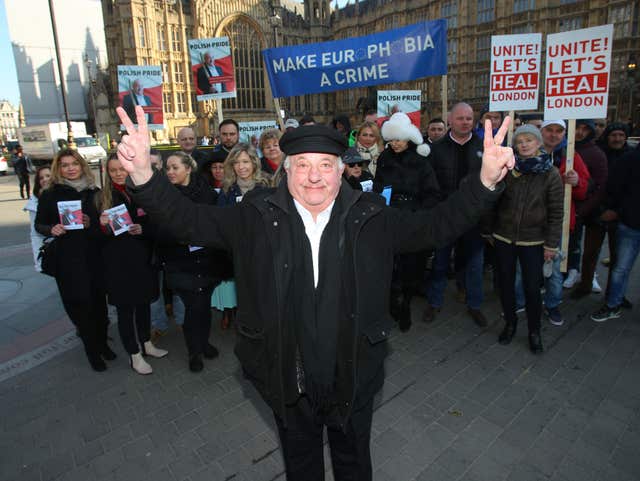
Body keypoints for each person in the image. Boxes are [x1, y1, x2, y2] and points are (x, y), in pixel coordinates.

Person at [116, 104, 513, 481]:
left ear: (342, 171)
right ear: (286, 171)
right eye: (302, 165)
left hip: (353, 368)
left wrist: (484, 182)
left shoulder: (371, 216)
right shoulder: (255, 216)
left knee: (353, 460)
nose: (314, 176)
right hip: (286, 371)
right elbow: (189, 221)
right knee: (301, 462)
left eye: (325, 165)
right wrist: (143, 177)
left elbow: (435, 225)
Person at [34, 149, 115, 372]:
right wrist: (52, 228)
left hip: (95, 259)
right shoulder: (50, 194)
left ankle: (102, 344)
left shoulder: (94, 192)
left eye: (74, 164)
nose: (70, 168)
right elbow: (39, 224)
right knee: (81, 307)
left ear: (82, 166)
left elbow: (105, 229)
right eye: (65, 165)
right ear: (58, 169)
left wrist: (94, 223)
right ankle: (92, 351)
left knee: (99, 306)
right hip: (68, 262)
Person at [487, 124, 563, 353]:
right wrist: (489, 230)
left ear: (539, 143)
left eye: (529, 140)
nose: (524, 144)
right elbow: (493, 200)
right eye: (520, 141)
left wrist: (551, 244)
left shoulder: (550, 173)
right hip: (504, 237)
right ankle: (510, 323)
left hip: (534, 241)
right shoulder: (508, 169)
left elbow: (556, 211)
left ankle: (534, 331)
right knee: (506, 285)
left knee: (532, 288)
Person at [97, 154, 168, 374]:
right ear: (107, 173)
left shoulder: (139, 191)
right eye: (113, 170)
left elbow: (155, 223)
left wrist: (143, 229)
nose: (118, 173)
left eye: (122, 169)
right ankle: (134, 354)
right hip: (117, 264)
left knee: (144, 304)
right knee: (126, 311)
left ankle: (146, 344)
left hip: (142, 259)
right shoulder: (101, 197)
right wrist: (102, 226)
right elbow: (94, 239)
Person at [425, 102, 489, 327]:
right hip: (446, 216)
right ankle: (434, 302)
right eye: (460, 118)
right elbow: (430, 185)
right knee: (441, 262)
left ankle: (475, 305)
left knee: (474, 263)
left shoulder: (483, 147)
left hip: (474, 217)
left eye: (469, 118)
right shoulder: (437, 149)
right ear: (450, 121)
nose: (465, 122)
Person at [375, 112, 440, 331]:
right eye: (392, 139)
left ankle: (406, 306)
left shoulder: (421, 161)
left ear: (409, 139)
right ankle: (394, 304)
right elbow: (379, 186)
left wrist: (419, 214)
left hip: (412, 219)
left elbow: (432, 193)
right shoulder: (385, 158)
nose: (395, 143)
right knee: (390, 267)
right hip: (390, 217)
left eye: (399, 139)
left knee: (412, 267)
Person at [158, 152, 222, 372]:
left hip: (205, 260)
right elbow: (158, 229)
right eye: (167, 168)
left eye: (175, 167)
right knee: (193, 308)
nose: (170, 172)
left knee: (204, 306)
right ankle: (194, 351)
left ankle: (204, 343)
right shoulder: (165, 196)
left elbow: (215, 222)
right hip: (180, 262)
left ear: (188, 168)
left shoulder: (205, 192)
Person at [539, 119, 590, 326]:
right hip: (531, 222)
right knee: (524, 266)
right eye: (549, 130)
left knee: (556, 267)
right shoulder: (529, 150)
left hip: (558, 222)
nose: (553, 135)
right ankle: (522, 300)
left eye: (559, 131)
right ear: (541, 131)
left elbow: (584, 189)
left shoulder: (570, 156)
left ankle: (552, 304)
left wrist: (577, 182)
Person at [591, 145, 640, 321]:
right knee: (621, 268)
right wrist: (618, 210)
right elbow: (615, 188)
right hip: (631, 224)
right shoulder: (630, 159)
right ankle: (613, 304)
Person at [570, 119, 609, 297]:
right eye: (577, 128)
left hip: (591, 209)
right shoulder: (567, 149)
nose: (579, 132)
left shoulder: (596, 153)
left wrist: (584, 209)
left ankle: (587, 280)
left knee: (591, 250)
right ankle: (571, 271)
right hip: (572, 207)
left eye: (585, 129)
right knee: (572, 244)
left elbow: (601, 185)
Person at [24, 165, 52, 272]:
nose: (45, 179)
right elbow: (35, 233)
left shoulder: (65, 194)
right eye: (41, 178)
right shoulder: (34, 203)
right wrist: (38, 260)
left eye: (48, 176)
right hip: (51, 248)